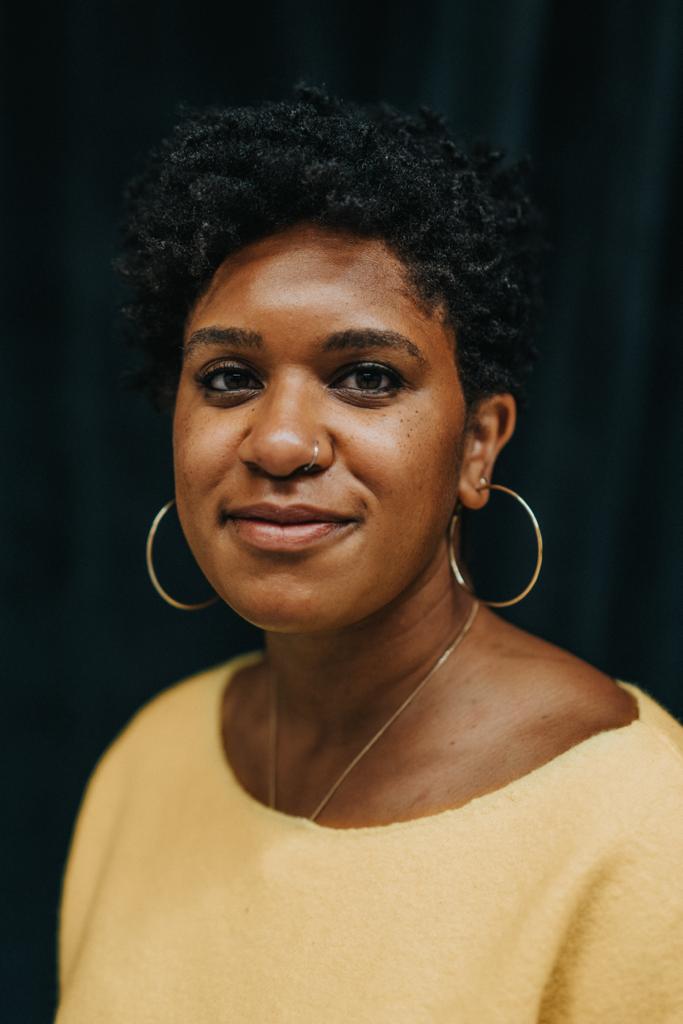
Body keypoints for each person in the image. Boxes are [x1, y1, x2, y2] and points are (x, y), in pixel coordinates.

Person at [55, 85, 683, 1023]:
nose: (280, 442)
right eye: (229, 378)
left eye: (365, 377)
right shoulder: (151, 761)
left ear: (477, 445)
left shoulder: (637, 821)